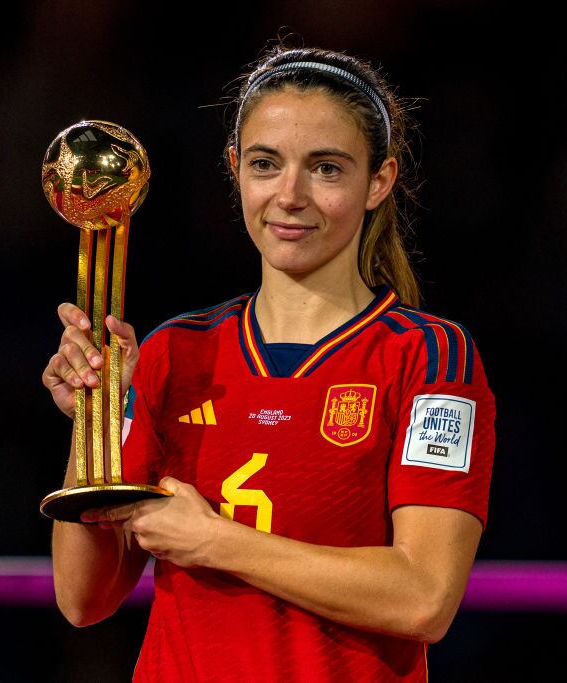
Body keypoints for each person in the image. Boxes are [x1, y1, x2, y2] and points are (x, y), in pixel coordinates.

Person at [41, 44, 495, 682]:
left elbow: (424, 598)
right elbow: (83, 598)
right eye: (265, 163)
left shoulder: (429, 358)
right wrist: (93, 420)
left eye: (327, 169)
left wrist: (218, 543)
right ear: (235, 169)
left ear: (381, 180)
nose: (290, 195)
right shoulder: (175, 352)